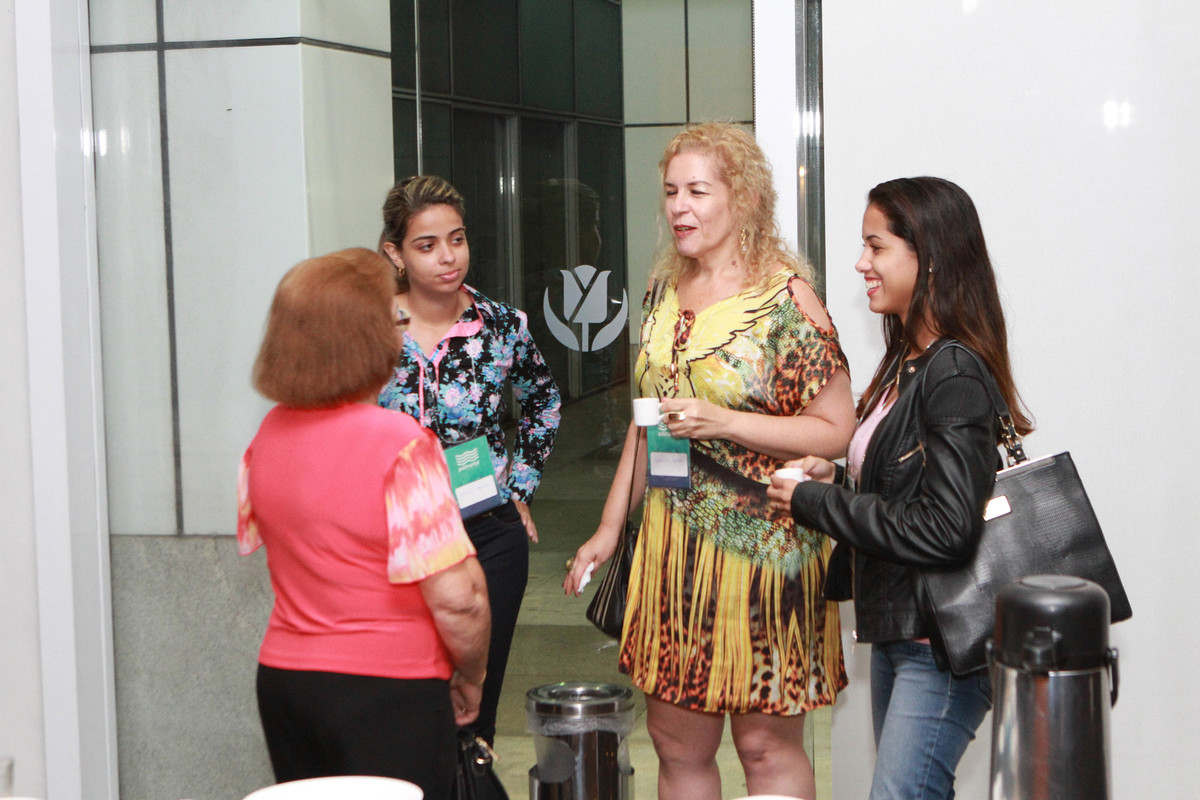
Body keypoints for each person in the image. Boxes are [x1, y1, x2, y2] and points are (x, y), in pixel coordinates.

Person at [564, 122, 856, 800]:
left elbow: (836, 430)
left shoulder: (785, 302)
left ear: (744, 200)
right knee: (676, 744)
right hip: (673, 551)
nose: (679, 207)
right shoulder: (664, 292)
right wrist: (610, 529)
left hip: (766, 549)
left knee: (761, 748)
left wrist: (723, 421)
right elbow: (646, 427)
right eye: (671, 191)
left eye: (698, 190)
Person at [767, 176, 1035, 800]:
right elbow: (907, 488)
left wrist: (817, 503)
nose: (861, 263)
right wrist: (834, 475)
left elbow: (945, 527)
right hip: (899, 633)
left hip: (936, 648)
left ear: (930, 257)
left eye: (876, 246)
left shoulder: (954, 373)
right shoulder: (906, 364)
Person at [238, 248, 490, 800]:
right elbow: (459, 598)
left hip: (287, 685)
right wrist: (471, 676)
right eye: (393, 317)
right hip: (388, 690)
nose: (401, 329)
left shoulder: (267, 437)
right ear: (364, 336)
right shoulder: (399, 445)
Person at [377, 175, 562, 745]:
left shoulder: (500, 326)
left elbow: (543, 402)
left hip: (486, 531)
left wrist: (521, 487)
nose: (447, 257)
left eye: (456, 240)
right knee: (406, 708)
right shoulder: (371, 328)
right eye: (427, 245)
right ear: (396, 254)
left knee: (475, 706)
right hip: (393, 538)